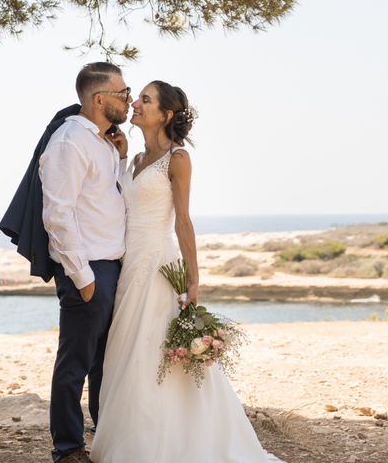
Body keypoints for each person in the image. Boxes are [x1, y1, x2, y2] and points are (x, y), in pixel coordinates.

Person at [89, 81, 283, 462]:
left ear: (165, 115)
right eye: (138, 98)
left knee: (154, 354)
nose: (135, 104)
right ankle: (132, 441)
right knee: (127, 355)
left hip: (159, 266)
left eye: (145, 100)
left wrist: (194, 279)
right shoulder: (135, 159)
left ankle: (170, 444)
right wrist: (121, 157)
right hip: (128, 267)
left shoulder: (177, 159)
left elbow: (183, 222)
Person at [39, 62, 131, 463]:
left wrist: (121, 158)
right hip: (89, 268)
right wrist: (83, 277)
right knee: (75, 362)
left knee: (104, 364)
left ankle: (103, 437)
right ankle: (68, 448)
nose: (128, 101)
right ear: (99, 99)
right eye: (123, 94)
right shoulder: (69, 142)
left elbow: (106, 201)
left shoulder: (102, 141)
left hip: (112, 266)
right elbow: (58, 213)